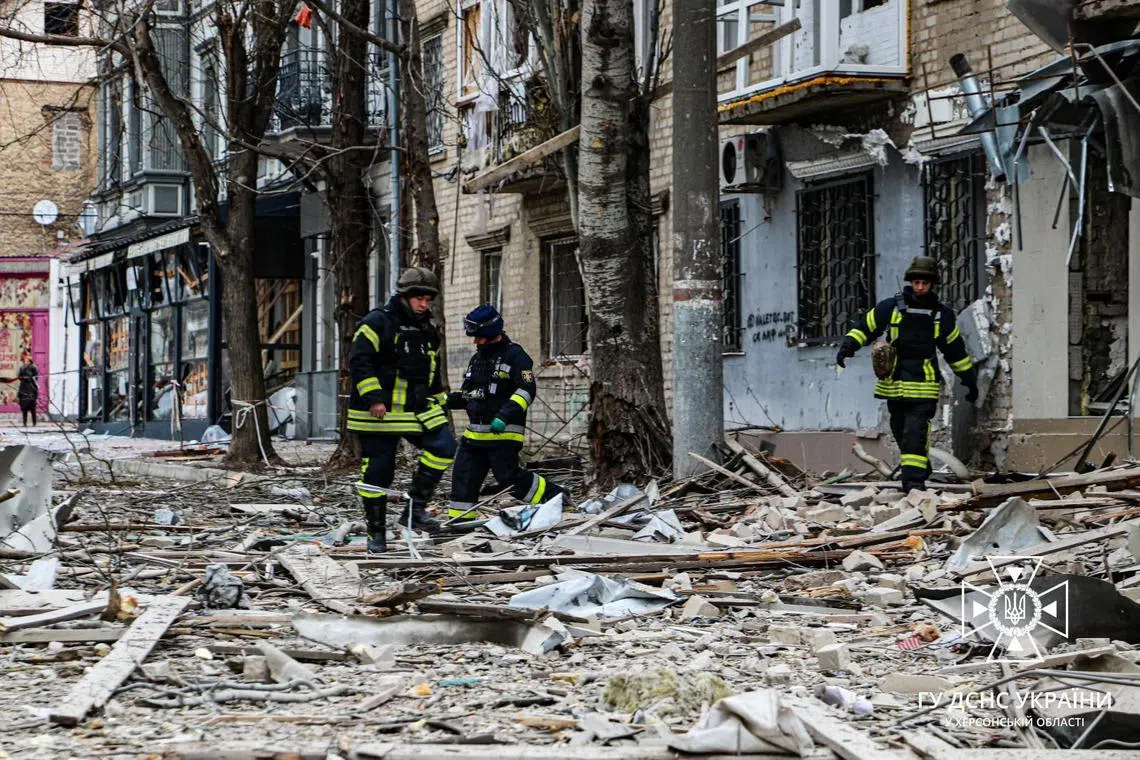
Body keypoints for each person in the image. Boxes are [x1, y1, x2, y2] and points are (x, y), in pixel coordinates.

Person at [835, 256, 977, 493]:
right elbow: (865, 327)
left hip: (924, 384)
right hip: (894, 384)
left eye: (925, 283)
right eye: (916, 282)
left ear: (932, 284)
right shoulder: (891, 307)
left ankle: (913, 484)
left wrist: (969, 379)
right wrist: (848, 346)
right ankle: (920, 468)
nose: (920, 287)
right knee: (901, 429)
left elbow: (955, 351)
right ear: (910, 282)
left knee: (915, 432)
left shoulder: (942, 316)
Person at [347, 267, 457, 553]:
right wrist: (373, 397)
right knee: (378, 473)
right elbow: (359, 361)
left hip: (415, 408)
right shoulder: (377, 322)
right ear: (405, 296)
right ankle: (376, 534)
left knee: (444, 445)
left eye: (428, 300)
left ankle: (414, 510)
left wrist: (439, 399)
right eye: (419, 299)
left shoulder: (427, 329)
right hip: (378, 413)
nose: (424, 304)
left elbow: (432, 369)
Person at [446, 304, 567, 519]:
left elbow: (527, 389)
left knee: (510, 479)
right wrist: (445, 401)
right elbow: (470, 395)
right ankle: (458, 526)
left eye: (479, 337)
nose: (476, 342)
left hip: (503, 434)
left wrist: (504, 415)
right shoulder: (477, 359)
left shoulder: (516, 356)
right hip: (473, 437)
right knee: (463, 479)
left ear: (492, 333)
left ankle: (558, 499)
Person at [16, 354, 38, 427]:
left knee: (32, 408)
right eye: (25, 360)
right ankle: (24, 423)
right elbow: (19, 376)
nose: (26, 362)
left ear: (30, 361)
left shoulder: (33, 367)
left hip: (30, 387)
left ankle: (34, 422)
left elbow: (36, 376)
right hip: (23, 387)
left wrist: (30, 378)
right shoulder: (22, 368)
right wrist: (23, 378)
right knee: (24, 408)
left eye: (28, 361)